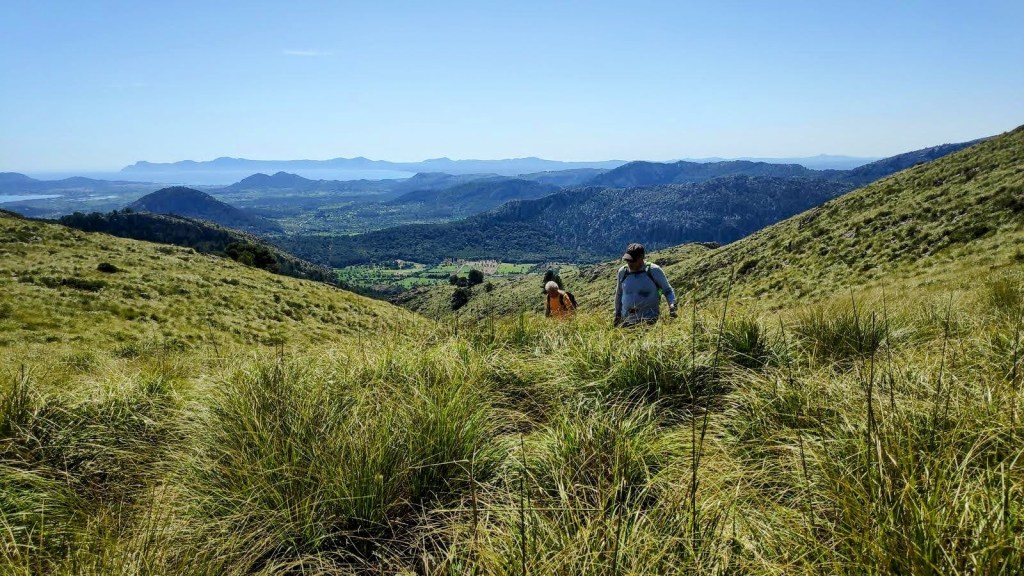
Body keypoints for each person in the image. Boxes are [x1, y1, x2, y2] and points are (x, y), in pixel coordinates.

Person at [613, 243, 677, 327]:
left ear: (641, 258)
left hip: (650, 321)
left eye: (633, 260)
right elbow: (619, 294)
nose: (629, 263)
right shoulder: (623, 272)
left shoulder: (653, 271)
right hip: (627, 321)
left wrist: (672, 306)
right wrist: (617, 315)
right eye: (627, 260)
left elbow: (668, 290)